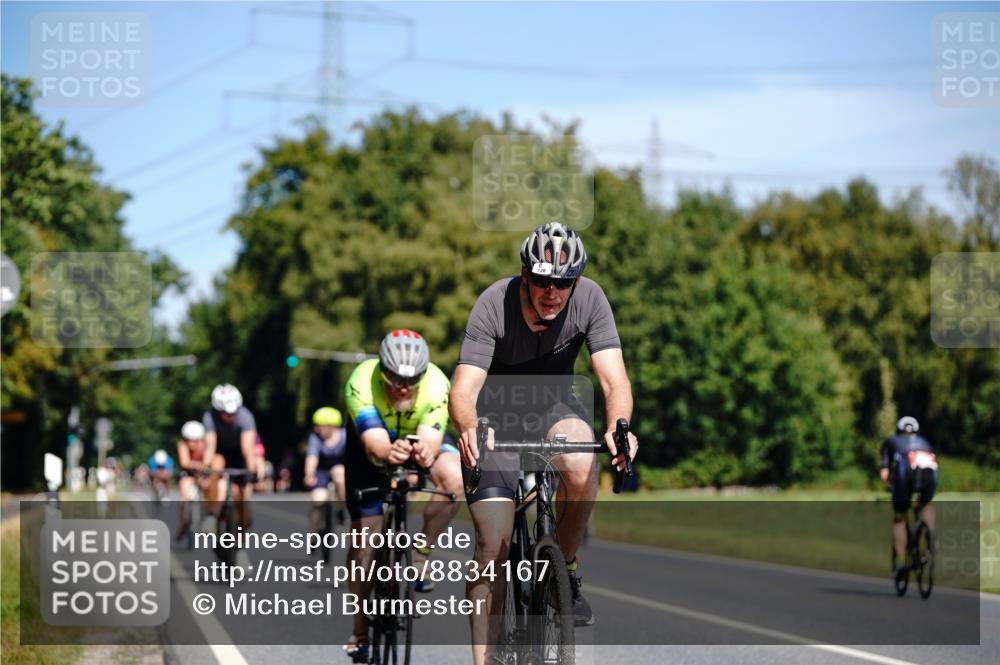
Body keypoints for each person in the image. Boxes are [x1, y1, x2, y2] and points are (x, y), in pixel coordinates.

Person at [450, 221, 638, 661]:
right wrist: (470, 425)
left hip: (553, 408)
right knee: (492, 544)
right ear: (525, 273)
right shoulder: (493, 303)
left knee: (580, 462)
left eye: (563, 282)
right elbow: (463, 390)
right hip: (493, 417)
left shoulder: (590, 298)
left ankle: (565, 570)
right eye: (542, 281)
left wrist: (620, 426)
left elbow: (614, 380)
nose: (552, 292)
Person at [341, 329, 464, 657]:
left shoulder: (438, 385)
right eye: (394, 377)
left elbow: (432, 439)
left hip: (415, 437)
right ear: (382, 368)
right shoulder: (361, 379)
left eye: (412, 379)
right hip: (371, 448)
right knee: (365, 542)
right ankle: (359, 630)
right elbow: (374, 441)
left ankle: (421, 557)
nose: (402, 386)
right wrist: (387, 451)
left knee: (454, 481)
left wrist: (424, 452)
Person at [880, 415, 938, 576]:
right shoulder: (925, 443)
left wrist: (892, 485)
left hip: (905, 479)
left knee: (899, 518)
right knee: (925, 504)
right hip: (930, 476)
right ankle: (930, 536)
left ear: (898, 430)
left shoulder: (891, 442)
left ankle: (899, 561)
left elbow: (885, 474)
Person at [202, 384, 258, 539]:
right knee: (215, 465)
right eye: (225, 413)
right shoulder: (209, 417)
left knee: (241, 497)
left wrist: (252, 469)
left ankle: (241, 528)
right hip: (219, 452)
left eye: (233, 412)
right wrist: (205, 468)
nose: (229, 416)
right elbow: (210, 446)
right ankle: (213, 515)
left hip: (239, 454)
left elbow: (248, 448)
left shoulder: (246, 417)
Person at [304, 406, 348, 534]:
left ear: (332, 426)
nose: (317, 429)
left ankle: (341, 508)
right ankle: (314, 532)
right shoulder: (315, 438)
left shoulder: (344, 437)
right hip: (321, 472)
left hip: (339, 469)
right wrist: (309, 475)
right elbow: (312, 457)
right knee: (318, 499)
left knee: (339, 472)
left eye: (320, 426)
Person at [176, 420, 213, 539]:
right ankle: (182, 525)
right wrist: (198, 465)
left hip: (203, 474)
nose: (192, 443)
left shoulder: (206, 445)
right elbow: (184, 462)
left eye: (195, 440)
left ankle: (210, 516)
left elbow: (208, 462)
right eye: (189, 440)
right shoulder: (182, 444)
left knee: (209, 489)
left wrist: (201, 469)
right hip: (188, 474)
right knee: (184, 498)